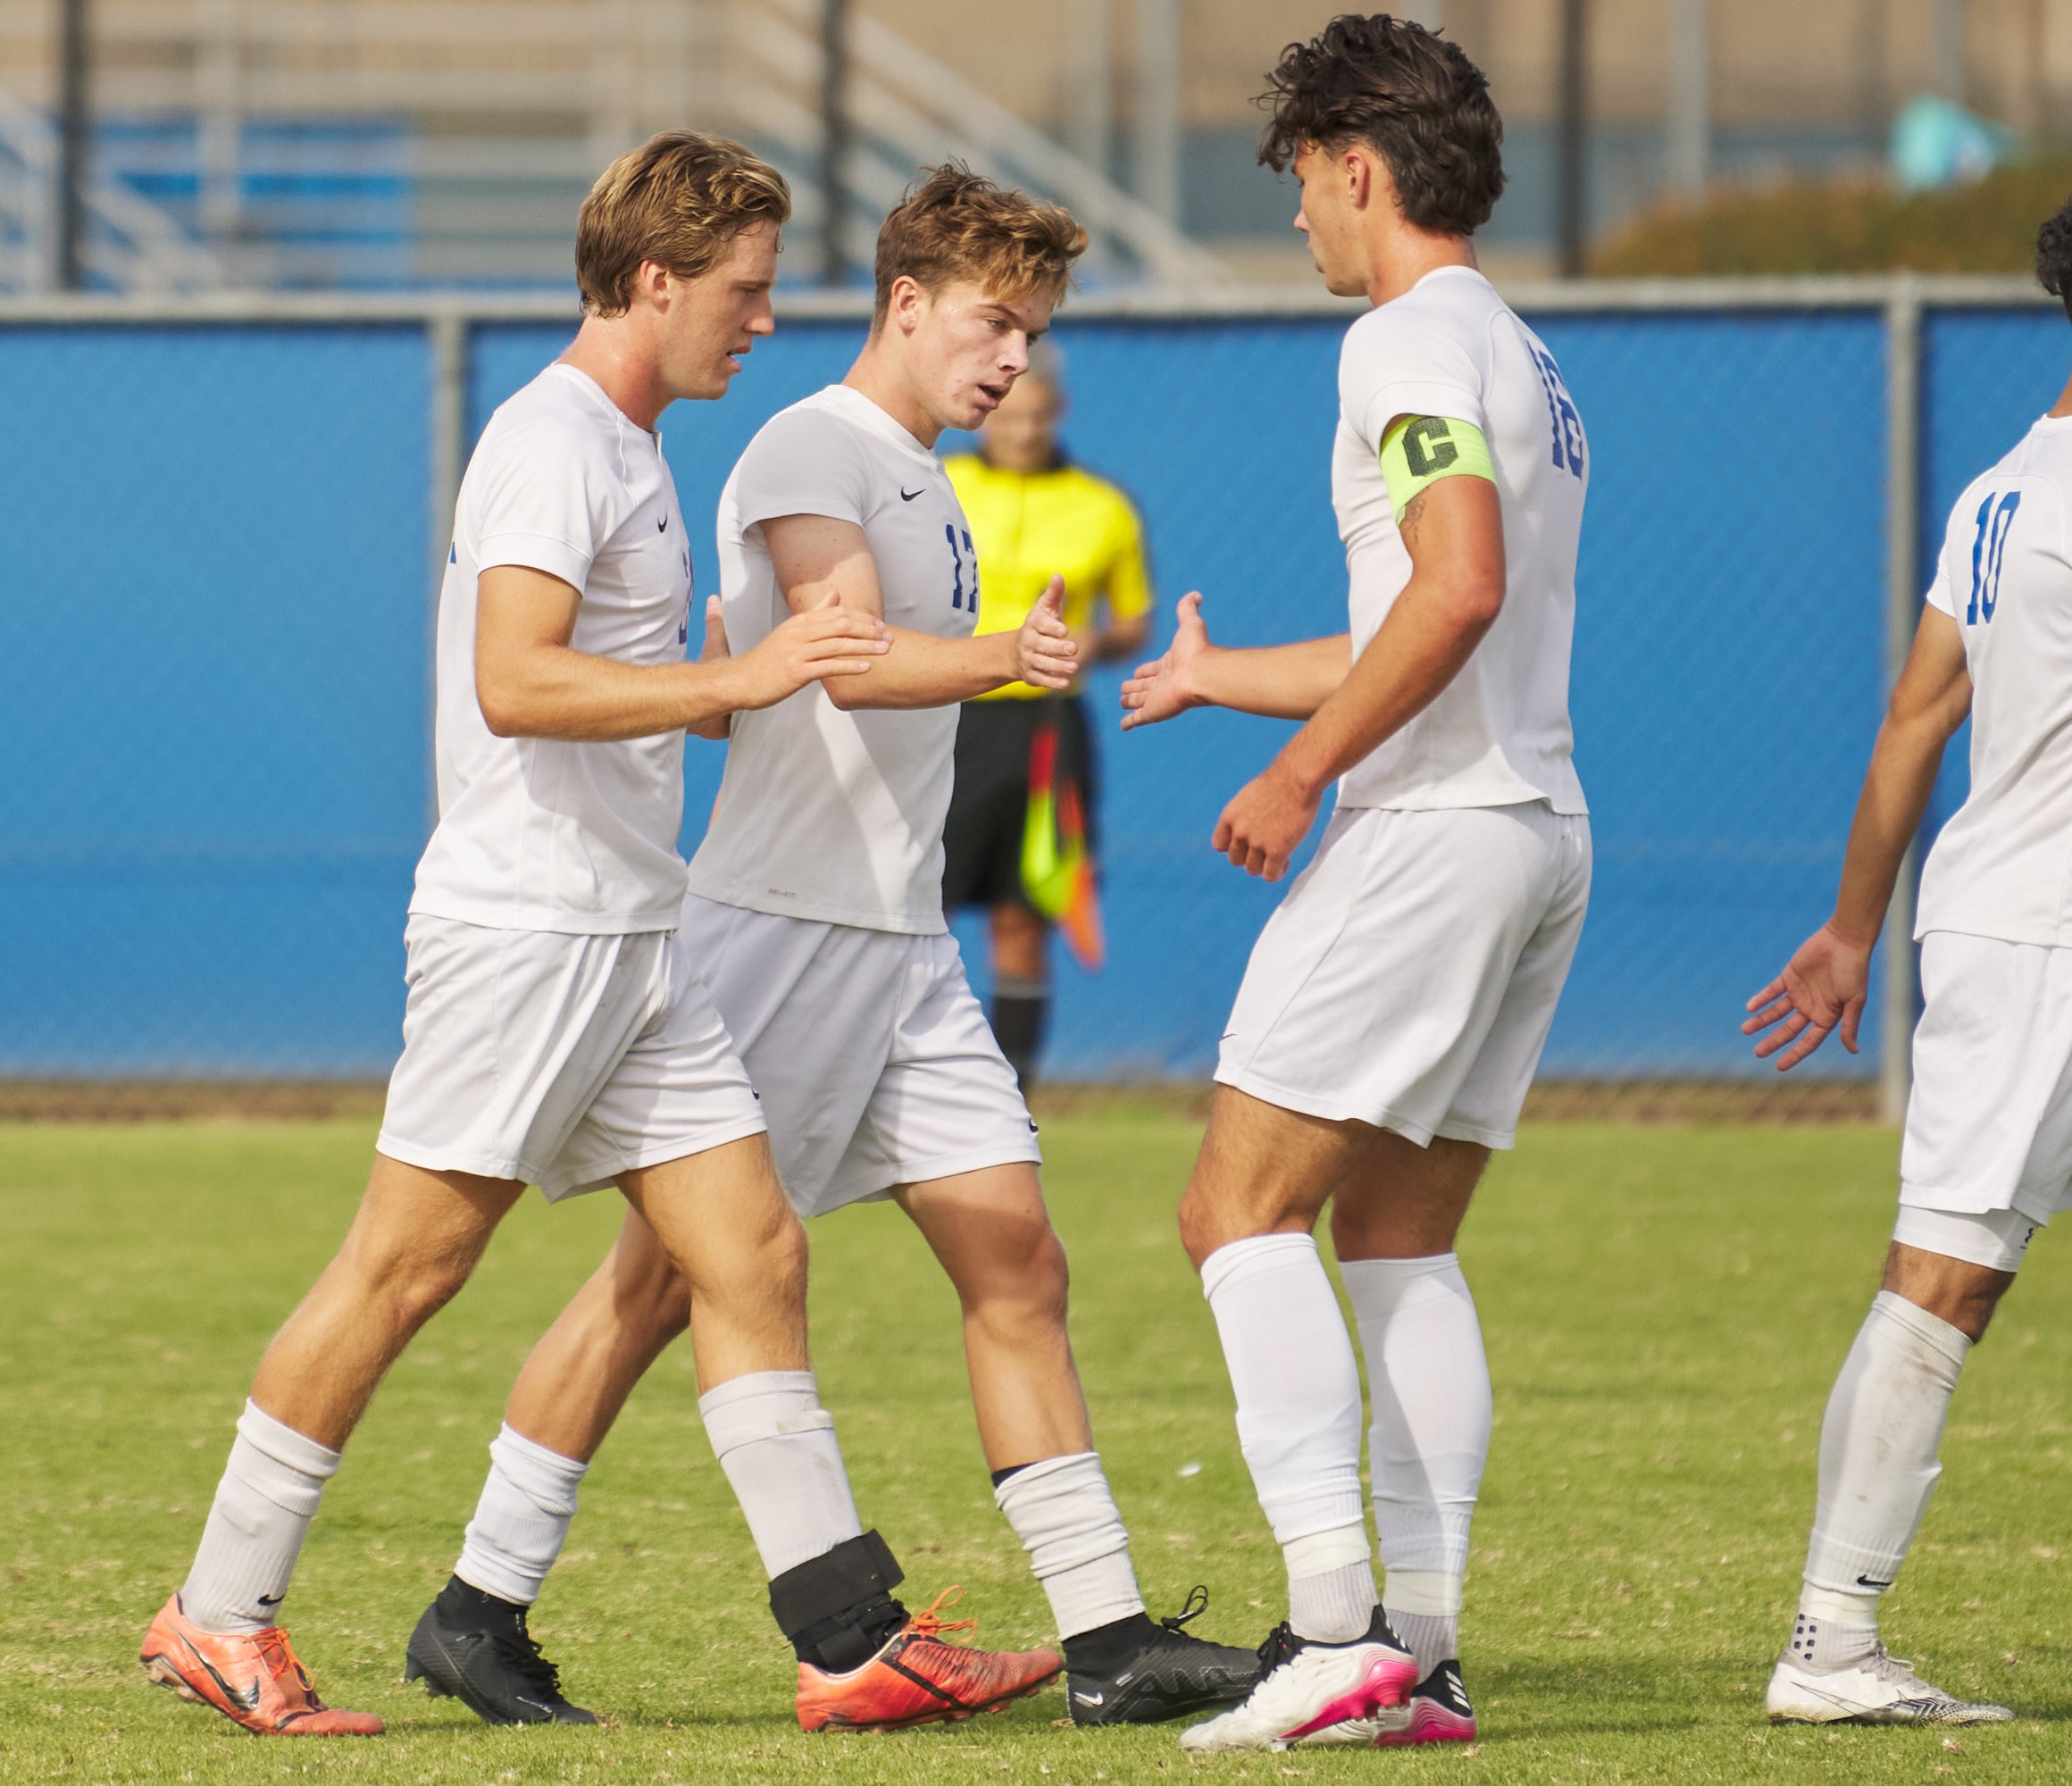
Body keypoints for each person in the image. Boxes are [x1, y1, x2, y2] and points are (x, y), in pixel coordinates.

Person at [139, 131, 1057, 1739]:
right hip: (528, 933)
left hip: (633, 940)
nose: (762, 320)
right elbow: (516, 680)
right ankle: (218, 1615)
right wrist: (733, 685)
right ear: (654, 281)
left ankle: (848, 1640)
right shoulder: (556, 438)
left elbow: (620, 684)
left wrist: (727, 688)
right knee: (403, 1269)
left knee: (755, 1254)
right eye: (743, 291)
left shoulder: (629, 448)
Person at [409, 164, 1262, 1734]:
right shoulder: (813, 444)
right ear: (909, 303)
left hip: (899, 945)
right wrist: (1010, 653)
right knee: (660, 1291)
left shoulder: (924, 472)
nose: (1013, 358)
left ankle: (1109, 1638)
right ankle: (479, 1603)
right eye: (996, 321)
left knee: (1020, 1259)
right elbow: (848, 662)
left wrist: (1008, 653)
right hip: (785, 936)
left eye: (1035, 331)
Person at [1121, 18, 1590, 1751]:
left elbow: (1447, 588)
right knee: (1395, 1242)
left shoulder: (1395, 342)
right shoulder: (1516, 350)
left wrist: (1296, 766)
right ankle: (1421, 1648)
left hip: (1430, 828)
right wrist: (1225, 674)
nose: (1299, 221)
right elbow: (1432, 607)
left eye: (1303, 185)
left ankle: (1328, 1636)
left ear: (1357, 166)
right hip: (1538, 825)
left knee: (1230, 1213)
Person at [1736, 204, 2072, 1737]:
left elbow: (1915, 712)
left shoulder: (2005, 489)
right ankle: (1829, 1638)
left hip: (1995, 921)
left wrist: (1855, 927)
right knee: (1943, 1281)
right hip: (2041, 936)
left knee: (1949, 1273)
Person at [941, 346, 1154, 1089]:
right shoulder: (939, 484)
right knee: (914, 911)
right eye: (1010, 416)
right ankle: (892, 1085)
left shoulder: (1104, 506)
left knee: (1023, 918)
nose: (1023, 431)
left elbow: (1135, 620)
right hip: (942, 717)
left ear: (1057, 414)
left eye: (1037, 416)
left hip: (1044, 732)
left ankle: (1009, 1101)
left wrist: (1100, 640)